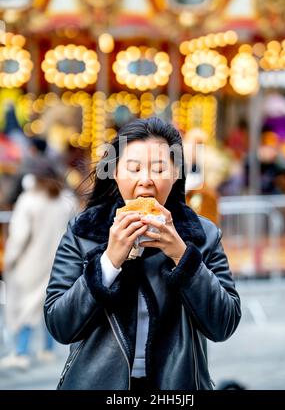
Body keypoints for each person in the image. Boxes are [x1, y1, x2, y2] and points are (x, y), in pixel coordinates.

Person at [44, 117, 241, 390]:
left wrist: (182, 256)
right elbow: (59, 325)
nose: (146, 180)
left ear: (176, 174)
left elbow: (224, 324)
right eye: (133, 168)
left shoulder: (202, 236)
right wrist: (109, 262)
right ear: (114, 172)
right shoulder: (83, 233)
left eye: (159, 169)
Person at [0, 160, 78, 369]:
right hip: (60, 262)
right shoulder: (65, 200)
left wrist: (9, 260)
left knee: (26, 307)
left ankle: (21, 353)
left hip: (30, 263)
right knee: (51, 304)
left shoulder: (29, 200)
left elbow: (19, 237)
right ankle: (47, 350)